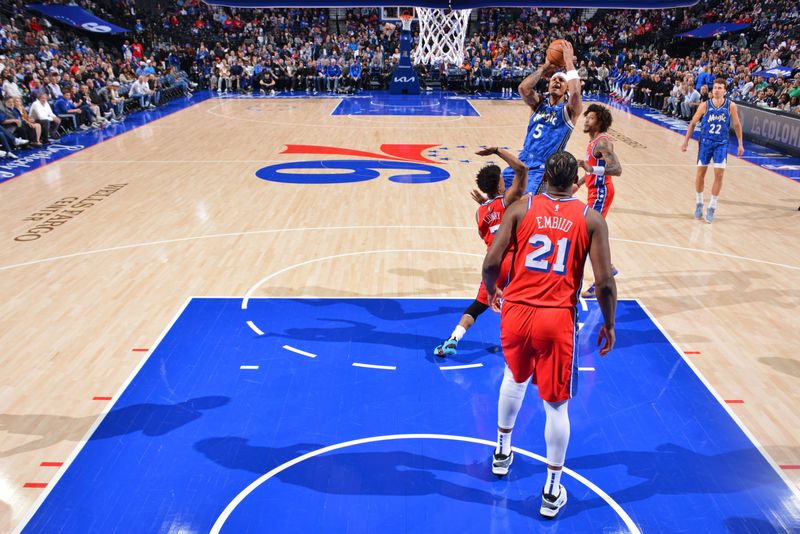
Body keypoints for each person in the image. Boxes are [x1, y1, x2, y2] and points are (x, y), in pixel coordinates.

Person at [481, 151, 617, 519]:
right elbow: (604, 283)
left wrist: (494, 290)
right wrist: (609, 322)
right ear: (576, 181)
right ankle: (552, 491)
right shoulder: (590, 219)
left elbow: (491, 262)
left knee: (513, 377)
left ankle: (502, 453)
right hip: (556, 319)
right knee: (556, 405)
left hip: (516, 312)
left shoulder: (521, 208)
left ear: (546, 179)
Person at [434, 147, 529, 357]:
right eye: (503, 179)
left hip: (492, 266)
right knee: (526, 303)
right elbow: (522, 169)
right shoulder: (509, 200)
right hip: (514, 262)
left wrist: (485, 204)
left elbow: (489, 226)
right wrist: (497, 151)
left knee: (478, 306)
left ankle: (453, 339)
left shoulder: (479, 213)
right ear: (500, 183)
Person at [508, 41, 583, 195]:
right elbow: (523, 88)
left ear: (567, 88)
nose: (557, 81)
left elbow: (576, 94)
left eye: (562, 81)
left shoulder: (569, 110)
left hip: (541, 168)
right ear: (548, 84)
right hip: (522, 159)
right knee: (501, 196)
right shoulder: (538, 103)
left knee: (525, 207)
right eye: (554, 79)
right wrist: (544, 67)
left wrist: (568, 61)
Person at [681, 78, 744, 223]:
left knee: (719, 175)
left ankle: (712, 206)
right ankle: (699, 202)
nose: (716, 90)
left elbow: (737, 124)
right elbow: (692, 123)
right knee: (700, 174)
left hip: (721, 144)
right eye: (715, 87)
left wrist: (740, 144)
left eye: (720, 88)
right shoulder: (705, 105)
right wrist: (685, 142)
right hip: (705, 143)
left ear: (725, 91)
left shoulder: (731, 106)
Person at [575, 104, 621, 296]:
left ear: (599, 122)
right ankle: (607, 269)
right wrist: (578, 183)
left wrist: (591, 169)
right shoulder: (593, 142)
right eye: (586, 117)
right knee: (590, 236)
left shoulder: (603, 142)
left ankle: (602, 280)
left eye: (591, 118)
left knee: (590, 237)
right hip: (595, 192)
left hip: (602, 193)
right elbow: (592, 168)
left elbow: (617, 169)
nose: (586, 120)